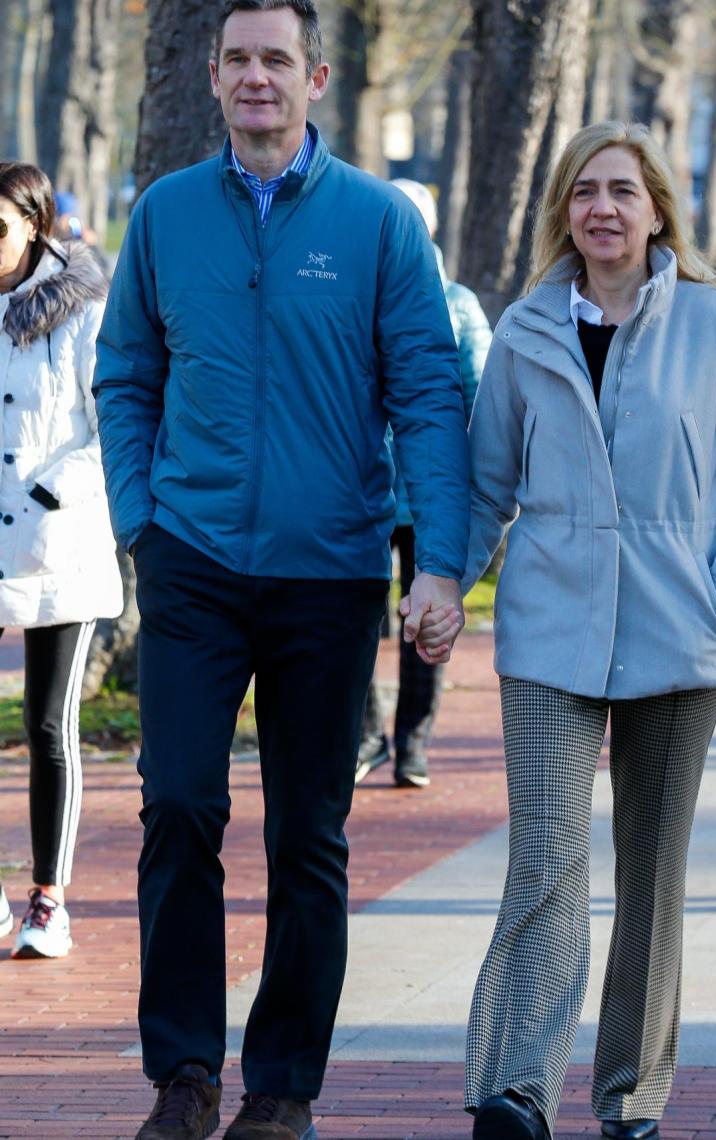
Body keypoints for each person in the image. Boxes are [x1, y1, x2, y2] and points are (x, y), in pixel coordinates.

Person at [92, 2, 468, 1138]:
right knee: (180, 808)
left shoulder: (378, 224)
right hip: (194, 563)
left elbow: (431, 397)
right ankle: (185, 1077)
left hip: (330, 574)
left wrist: (440, 561)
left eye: (277, 61)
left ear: (314, 75)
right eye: (238, 61)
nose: (258, 80)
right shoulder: (164, 215)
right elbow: (125, 375)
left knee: (309, 835)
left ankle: (284, 1089)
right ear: (211, 76)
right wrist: (138, 518)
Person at [416, 121, 716, 1140]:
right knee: (544, 859)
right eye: (585, 191)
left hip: (684, 640)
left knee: (651, 871)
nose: (603, 207)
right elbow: (484, 484)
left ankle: (631, 1096)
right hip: (550, 635)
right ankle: (515, 1088)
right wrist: (444, 580)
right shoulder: (526, 331)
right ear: (565, 211)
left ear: (655, 212)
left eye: (623, 192)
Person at [0, 161, 123, 959]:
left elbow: (112, 424)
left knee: (49, 726)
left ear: (35, 226)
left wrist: (47, 498)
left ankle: (50, 897)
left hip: (61, 550)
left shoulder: (84, 311)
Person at [356, 178, 491, 788]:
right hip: (360, 492)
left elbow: (481, 397)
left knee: (427, 622)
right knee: (354, 618)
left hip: (429, 498)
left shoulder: (457, 303)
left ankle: (412, 744)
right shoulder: (356, 291)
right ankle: (366, 737)